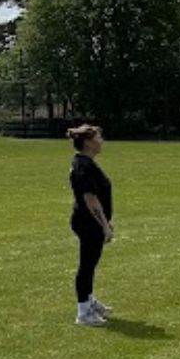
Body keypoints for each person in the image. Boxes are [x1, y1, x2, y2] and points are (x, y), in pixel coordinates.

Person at [67, 124, 114, 325]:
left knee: (90, 264)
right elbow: (90, 199)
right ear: (87, 142)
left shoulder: (86, 163)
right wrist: (104, 225)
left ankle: (89, 301)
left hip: (90, 221)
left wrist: (106, 221)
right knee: (86, 265)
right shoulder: (83, 166)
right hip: (88, 222)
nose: (101, 142)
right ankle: (83, 312)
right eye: (98, 138)